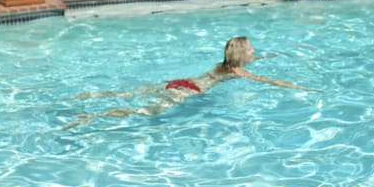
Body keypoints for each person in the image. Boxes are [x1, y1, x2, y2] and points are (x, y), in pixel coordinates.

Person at [65, 36, 313, 128]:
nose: (253, 51)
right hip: (189, 91)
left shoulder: (222, 65)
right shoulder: (238, 72)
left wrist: (265, 57)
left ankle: (90, 97)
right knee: (140, 112)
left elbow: (249, 62)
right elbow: (268, 81)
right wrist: (298, 87)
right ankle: (93, 117)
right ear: (241, 55)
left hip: (180, 82)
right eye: (251, 50)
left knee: (129, 93)